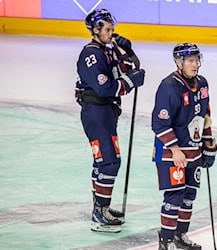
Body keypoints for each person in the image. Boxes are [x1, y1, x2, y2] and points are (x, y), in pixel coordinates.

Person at [75, 9, 146, 233]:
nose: (112, 32)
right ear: (95, 30)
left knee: (103, 161)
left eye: (112, 28)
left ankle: (100, 207)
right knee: (109, 161)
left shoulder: (109, 49)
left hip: (106, 112)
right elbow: (105, 88)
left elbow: (128, 68)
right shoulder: (91, 55)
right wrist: (131, 82)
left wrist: (129, 52)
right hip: (96, 111)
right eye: (107, 29)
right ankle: (100, 211)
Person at [151, 43, 217, 250]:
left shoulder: (203, 84)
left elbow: (205, 117)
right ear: (179, 63)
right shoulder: (169, 87)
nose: (195, 64)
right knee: (174, 196)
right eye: (190, 60)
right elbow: (159, 123)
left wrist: (208, 145)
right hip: (171, 153)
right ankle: (166, 241)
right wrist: (175, 149)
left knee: (189, 196)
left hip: (193, 151)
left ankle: (181, 235)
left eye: (196, 59)